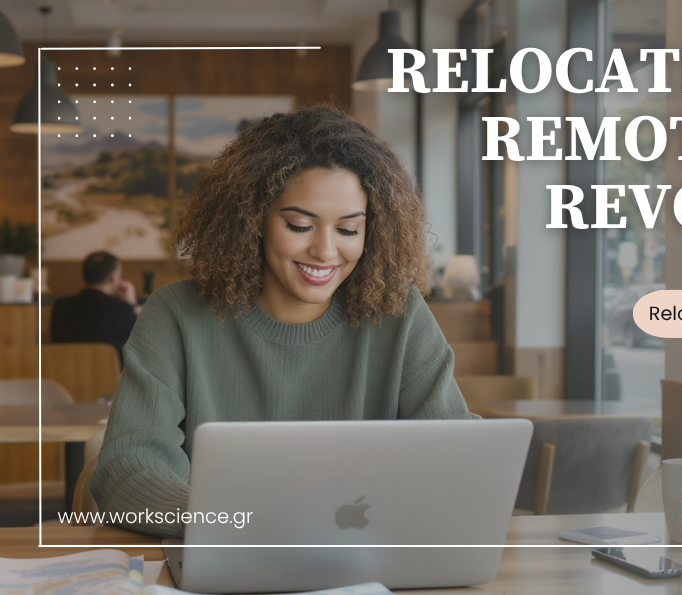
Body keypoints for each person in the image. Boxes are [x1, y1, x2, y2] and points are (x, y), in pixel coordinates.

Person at [90, 106, 473, 537]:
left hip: (366, 563)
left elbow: (456, 453)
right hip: (223, 556)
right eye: (299, 225)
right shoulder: (176, 315)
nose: (326, 252)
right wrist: (238, 527)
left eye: (348, 230)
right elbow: (128, 468)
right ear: (252, 219)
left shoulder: (398, 313)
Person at [50, 251, 138, 364]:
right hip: (110, 378)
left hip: (64, 376)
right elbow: (138, 349)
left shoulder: (60, 306)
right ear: (112, 277)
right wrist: (131, 306)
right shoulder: (123, 309)